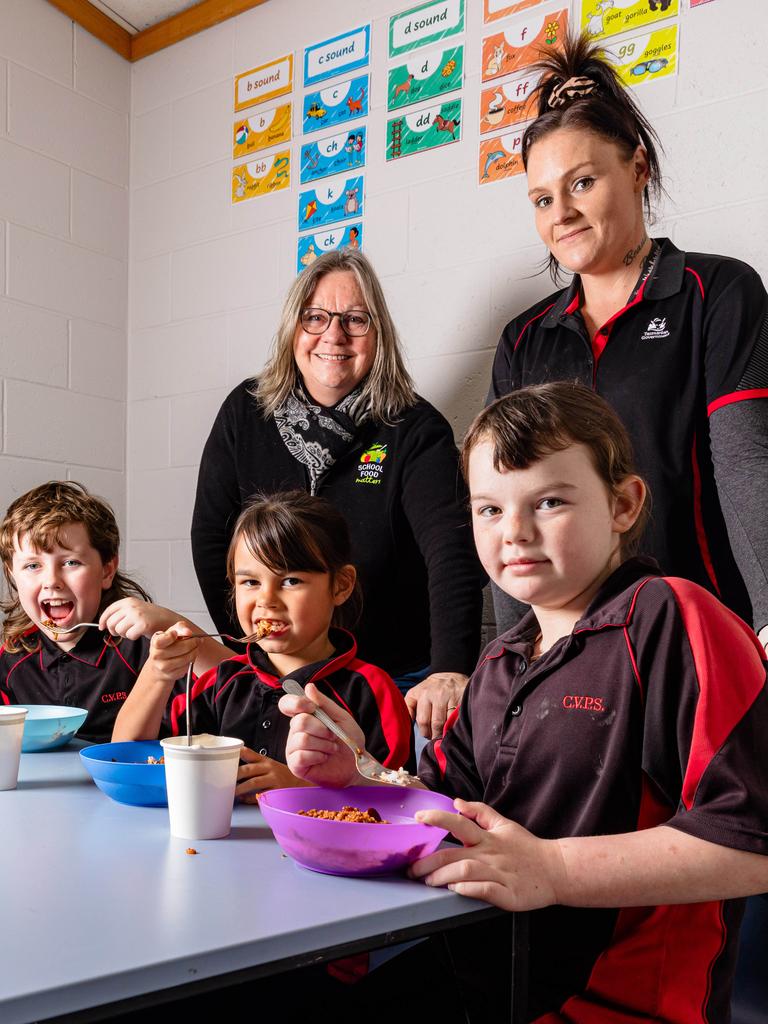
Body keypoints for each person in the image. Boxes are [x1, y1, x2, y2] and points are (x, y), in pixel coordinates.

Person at [280, 383, 768, 1022]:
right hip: (482, 974)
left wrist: (553, 868)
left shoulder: (672, 617)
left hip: (609, 1005)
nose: (514, 532)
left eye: (549, 501)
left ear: (623, 504)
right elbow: (447, 809)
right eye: (488, 509)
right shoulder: (501, 658)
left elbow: (752, 844)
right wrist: (360, 778)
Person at [488, 33, 768, 648]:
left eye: (582, 182)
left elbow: (745, 463)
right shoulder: (524, 339)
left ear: (637, 167)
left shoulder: (715, 291)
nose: (560, 212)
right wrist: (506, 653)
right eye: (541, 198)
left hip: (700, 636)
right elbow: (504, 504)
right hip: (573, 654)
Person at [191, 249, 485, 740]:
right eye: (315, 318)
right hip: (276, 674)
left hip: (394, 677)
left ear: (379, 335)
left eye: (355, 320)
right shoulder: (245, 413)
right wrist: (252, 647)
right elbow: (210, 538)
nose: (334, 335)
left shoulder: (414, 429)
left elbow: (452, 553)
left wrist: (450, 670)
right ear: (293, 328)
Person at [115, 491, 413, 802]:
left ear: (340, 585)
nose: (266, 600)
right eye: (250, 582)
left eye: (291, 581)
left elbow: (402, 802)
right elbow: (126, 757)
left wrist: (299, 790)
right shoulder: (223, 682)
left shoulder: (371, 690)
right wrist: (158, 674)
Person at [0, 482, 226, 743]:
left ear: (107, 570)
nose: (52, 580)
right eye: (32, 565)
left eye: (71, 562)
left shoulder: (146, 646)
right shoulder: (12, 658)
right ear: (11, 574)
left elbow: (242, 685)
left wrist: (169, 621)